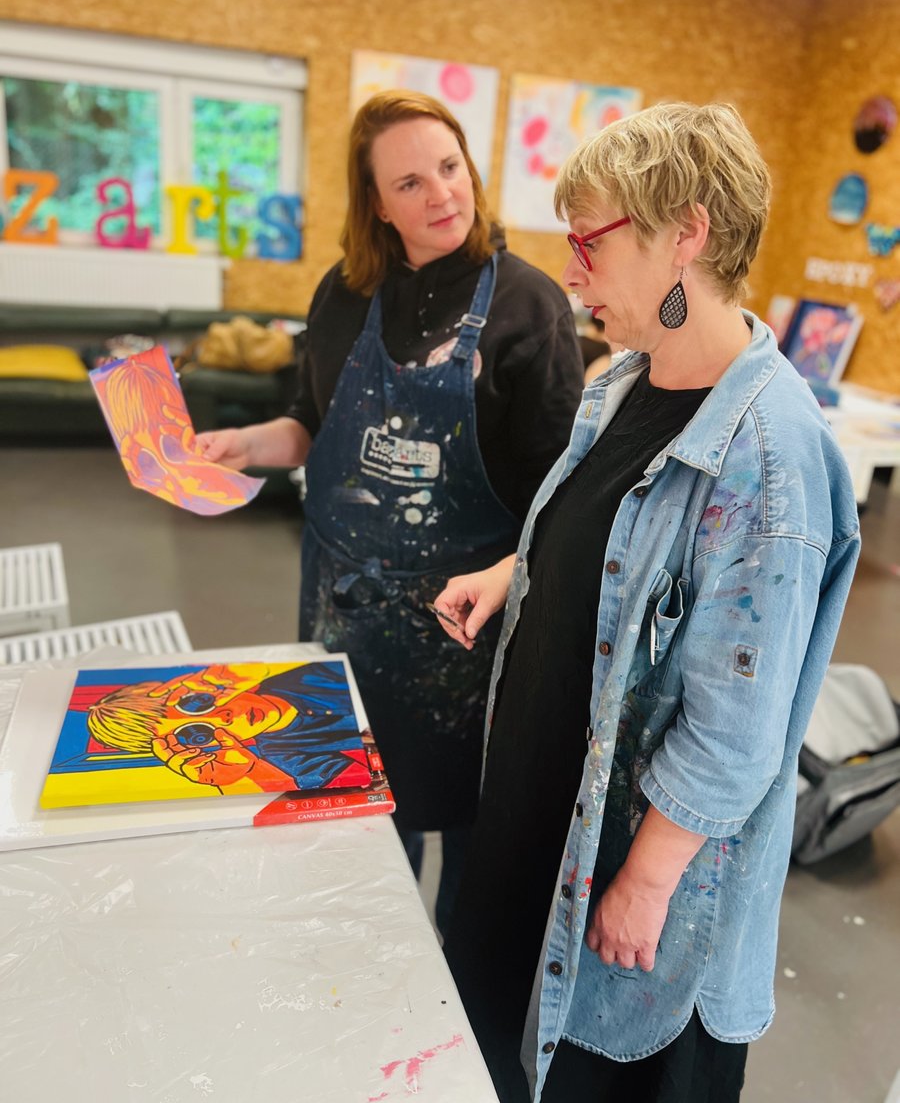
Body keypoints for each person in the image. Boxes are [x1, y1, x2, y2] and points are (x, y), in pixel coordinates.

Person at [432, 102, 861, 1102]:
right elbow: (616, 542)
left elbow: (738, 727)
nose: (571, 271)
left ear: (687, 236)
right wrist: (519, 573)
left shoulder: (769, 459)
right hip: (542, 827)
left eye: (589, 242)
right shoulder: (624, 381)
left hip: (632, 902)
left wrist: (647, 880)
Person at [197, 90, 584, 931]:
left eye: (450, 167)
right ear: (375, 203)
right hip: (345, 621)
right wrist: (243, 445)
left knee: (471, 850)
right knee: (354, 846)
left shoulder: (530, 308)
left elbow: (561, 503)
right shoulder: (343, 294)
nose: (442, 194)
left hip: (466, 640)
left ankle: (455, 990)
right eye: (410, 183)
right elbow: (308, 423)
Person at [87, 661, 369, 793]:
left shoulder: (301, 673)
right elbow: (365, 789)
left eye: (197, 703)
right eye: (198, 734)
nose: (223, 718)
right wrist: (253, 771)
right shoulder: (285, 757)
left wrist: (253, 672)